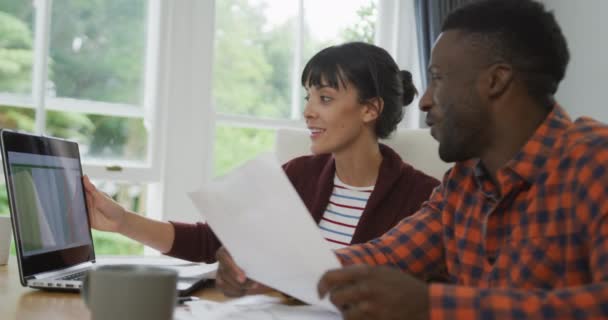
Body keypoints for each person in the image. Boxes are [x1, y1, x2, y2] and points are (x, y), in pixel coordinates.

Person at [218, 0, 608, 318]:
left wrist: (431, 306)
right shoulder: (463, 183)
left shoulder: (593, 162)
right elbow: (385, 255)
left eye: (438, 77)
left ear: (495, 81)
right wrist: (272, 272)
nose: (422, 101)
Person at [83, 42, 439, 267]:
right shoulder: (299, 175)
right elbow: (211, 241)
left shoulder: (425, 197)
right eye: (308, 98)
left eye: (325, 98)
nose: (309, 112)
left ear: (369, 110)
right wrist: (121, 221)